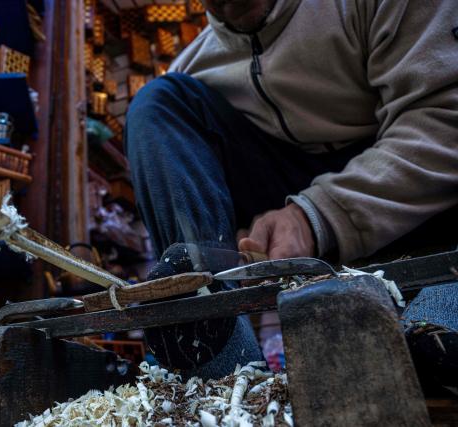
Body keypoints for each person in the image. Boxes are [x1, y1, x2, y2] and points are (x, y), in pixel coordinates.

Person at [124, 0, 458, 380]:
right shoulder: (194, 71)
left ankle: (436, 321)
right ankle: (222, 375)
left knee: (427, 354)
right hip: (296, 225)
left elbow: (447, 119)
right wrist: (234, 244)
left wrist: (317, 214)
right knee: (157, 107)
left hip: (420, 216)